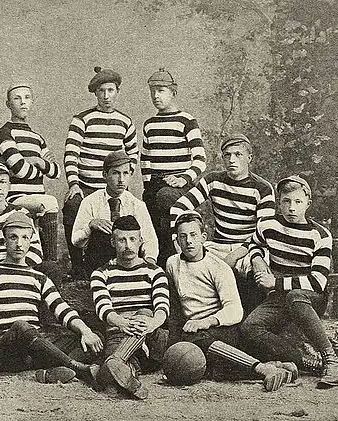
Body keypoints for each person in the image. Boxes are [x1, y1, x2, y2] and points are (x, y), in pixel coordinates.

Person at [0, 211, 104, 385]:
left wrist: (86, 331)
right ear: (4, 241)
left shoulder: (39, 278)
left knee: (94, 336)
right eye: (13, 237)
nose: (19, 244)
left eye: (25, 238)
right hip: (7, 347)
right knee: (21, 326)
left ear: (31, 241)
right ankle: (77, 368)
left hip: (35, 344)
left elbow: (62, 309)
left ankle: (47, 372)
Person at [166, 211, 297, 392]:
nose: (189, 241)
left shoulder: (218, 267)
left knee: (194, 341)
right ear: (177, 240)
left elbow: (235, 310)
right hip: (195, 330)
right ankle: (278, 367)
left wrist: (206, 321)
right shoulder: (172, 264)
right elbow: (174, 308)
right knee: (206, 368)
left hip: (222, 329)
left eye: (193, 235)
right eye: (183, 236)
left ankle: (262, 369)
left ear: (203, 237)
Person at [241, 176, 338, 388]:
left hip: (309, 297)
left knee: (295, 296)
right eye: (286, 201)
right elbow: (254, 244)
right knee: (250, 327)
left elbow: (317, 282)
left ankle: (331, 360)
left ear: (308, 203)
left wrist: (275, 283)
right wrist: (257, 260)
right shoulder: (268, 224)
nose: (292, 208)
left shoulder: (320, 235)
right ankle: (307, 361)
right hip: (279, 296)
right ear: (279, 203)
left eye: (298, 202)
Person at [170, 134, 275, 313]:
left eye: (238, 154)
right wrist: (177, 242)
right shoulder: (213, 180)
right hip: (218, 245)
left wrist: (234, 256)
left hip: (249, 247)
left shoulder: (262, 188)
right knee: (183, 264)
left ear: (249, 158)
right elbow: (178, 208)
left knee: (258, 273)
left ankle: (252, 320)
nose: (232, 160)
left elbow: (263, 232)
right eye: (227, 155)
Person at [63, 67, 139, 280]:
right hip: (86, 186)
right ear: (95, 93)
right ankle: (78, 267)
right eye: (101, 91)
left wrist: (124, 178)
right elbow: (71, 153)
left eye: (110, 90)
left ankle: (119, 262)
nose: (106, 96)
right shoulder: (82, 119)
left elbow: (133, 153)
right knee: (72, 206)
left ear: (117, 91)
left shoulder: (125, 122)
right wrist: (74, 184)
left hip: (113, 188)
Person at [90, 215, 169, 399]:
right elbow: (104, 308)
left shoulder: (155, 272)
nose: (128, 245)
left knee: (145, 312)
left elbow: (162, 307)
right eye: (122, 240)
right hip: (118, 333)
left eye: (133, 239)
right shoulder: (101, 274)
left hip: (150, 336)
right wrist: (123, 323)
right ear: (112, 242)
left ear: (141, 241)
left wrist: (150, 324)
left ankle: (113, 367)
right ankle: (129, 374)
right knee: (117, 354)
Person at [141, 68, 206, 267]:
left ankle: (174, 260)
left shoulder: (186, 121)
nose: (156, 96)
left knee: (165, 199)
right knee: (148, 210)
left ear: (173, 92)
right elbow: (145, 161)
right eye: (152, 91)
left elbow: (200, 159)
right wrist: (147, 187)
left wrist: (183, 179)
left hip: (180, 184)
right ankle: (156, 264)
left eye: (161, 91)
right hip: (156, 184)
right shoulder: (150, 124)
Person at [0, 83, 60, 261]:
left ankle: (47, 263)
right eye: (17, 98)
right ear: (8, 104)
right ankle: (51, 261)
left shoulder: (37, 137)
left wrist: (36, 161)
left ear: (32, 101)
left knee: (47, 204)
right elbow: (19, 170)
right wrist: (42, 166)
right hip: (15, 197)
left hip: (37, 198)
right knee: (50, 202)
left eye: (27, 98)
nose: (23, 102)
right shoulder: (5, 133)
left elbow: (56, 172)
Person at [72, 151, 157, 278]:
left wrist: (149, 263)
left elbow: (150, 240)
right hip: (100, 264)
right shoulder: (90, 201)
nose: (121, 179)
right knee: (100, 232)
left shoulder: (137, 205)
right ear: (105, 175)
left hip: (130, 261)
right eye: (116, 173)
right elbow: (75, 240)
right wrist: (90, 225)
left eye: (125, 173)